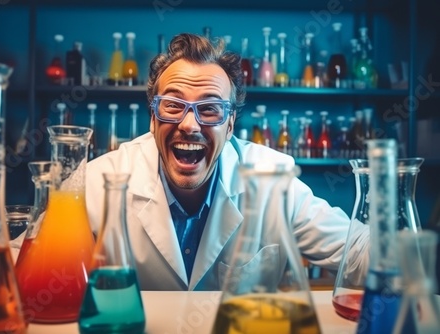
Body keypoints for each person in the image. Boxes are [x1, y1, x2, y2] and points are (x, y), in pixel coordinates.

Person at [86, 33, 369, 291]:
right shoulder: (97, 182)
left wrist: (408, 250)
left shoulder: (271, 180)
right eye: (173, 105)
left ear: (230, 125)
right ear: (152, 118)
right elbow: (51, 274)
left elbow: (358, 250)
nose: (189, 125)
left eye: (210, 109)